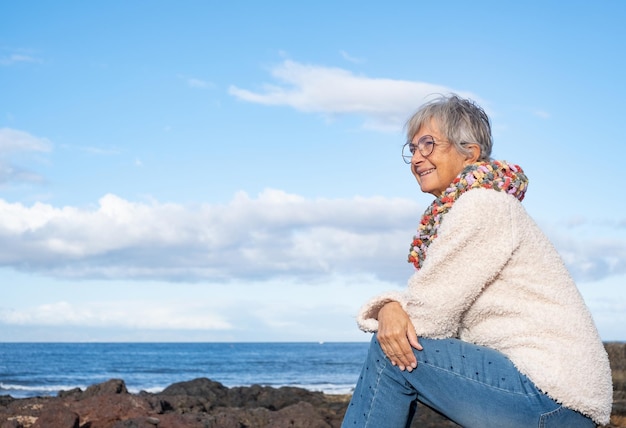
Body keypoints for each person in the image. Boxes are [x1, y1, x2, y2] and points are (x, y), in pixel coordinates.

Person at [341, 94, 613, 427]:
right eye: (412, 149)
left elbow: (428, 319)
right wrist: (391, 310)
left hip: (551, 396)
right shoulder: (479, 205)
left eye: (428, 144)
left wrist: (388, 308)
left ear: (469, 153)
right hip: (559, 399)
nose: (417, 158)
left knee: (390, 352)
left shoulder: (482, 205)